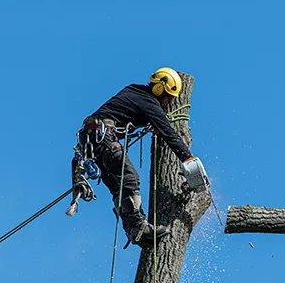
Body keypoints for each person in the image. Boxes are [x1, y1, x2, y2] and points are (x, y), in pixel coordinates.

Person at [71, 67, 200, 246]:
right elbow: (169, 134)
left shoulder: (134, 90)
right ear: (160, 89)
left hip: (92, 141)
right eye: (168, 98)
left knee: (119, 187)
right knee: (130, 178)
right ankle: (139, 227)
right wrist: (189, 160)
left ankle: (133, 231)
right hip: (103, 138)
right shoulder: (149, 102)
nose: (166, 103)